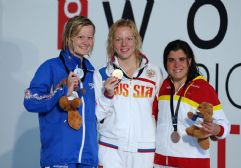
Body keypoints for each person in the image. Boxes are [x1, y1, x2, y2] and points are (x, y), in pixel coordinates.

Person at [23, 16, 98, 168]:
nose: (86, 42)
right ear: (69, 38)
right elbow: (30, 101)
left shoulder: (92, 73)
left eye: (90, 37)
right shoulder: (51, 67)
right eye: (80, 37)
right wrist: (62, 91)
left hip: (87, 159)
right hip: (59, 157)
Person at [94, 19, 162, 168]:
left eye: (128, 39)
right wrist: (108, 95)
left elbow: (160, 113)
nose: (124, 44)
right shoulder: (102, 73)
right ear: (112, 43)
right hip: (110, 148)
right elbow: (96, 116)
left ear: (136, 40)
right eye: (118, 39)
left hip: (144, 150)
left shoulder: (154, 72)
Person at [153, 39, 230, 168]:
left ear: (189, 61)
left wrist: (214, 129)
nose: (177, 65)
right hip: (160, 162)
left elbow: (224, 125)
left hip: (192, 163)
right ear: (166, 63)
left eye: (181, 59)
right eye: (171, 60)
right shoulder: (162, 85)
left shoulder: (203, 88)